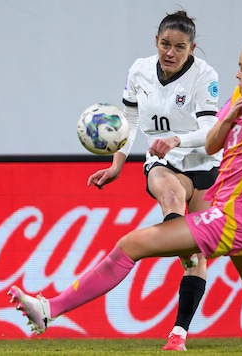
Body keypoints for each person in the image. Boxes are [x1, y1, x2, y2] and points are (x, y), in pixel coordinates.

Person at [8, 36, 242, 353]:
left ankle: (49, 309)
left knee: (130, 245)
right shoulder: (241, 98)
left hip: (231, 219)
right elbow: (212, 143)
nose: (236, 74)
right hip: (240, 214)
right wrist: (227, 120)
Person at [85, 10, 221, 351]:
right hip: (163, 160)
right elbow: (128, 117)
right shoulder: (140, 70)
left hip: (205, 163)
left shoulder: (205, 77)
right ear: (156, 42)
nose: (170, 52)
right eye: (165, 44)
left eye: (179, 47)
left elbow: (209, 131)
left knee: (200, 255)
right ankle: (182, 245)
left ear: (192, 48)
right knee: (171, 196)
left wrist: (177, 139)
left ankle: (179, 333)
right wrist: (117, 164)